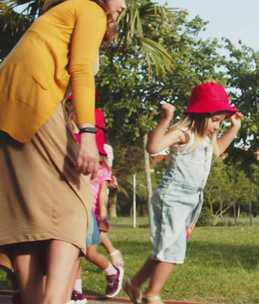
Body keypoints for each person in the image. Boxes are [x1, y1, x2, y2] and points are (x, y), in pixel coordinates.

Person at [0, 0, 126, 302]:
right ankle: (56, 298)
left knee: (27, 209)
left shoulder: (63, 12)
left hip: (9, 105)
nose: (123, 5)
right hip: (33, 100)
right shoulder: (91, 9)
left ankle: (32, 295)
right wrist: (86, 134)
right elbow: (81, 69)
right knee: (77, 199)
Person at [123, 82, 243, 304]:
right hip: (173, 197)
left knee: (165, 246)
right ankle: (152, 294)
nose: (218, 126)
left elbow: (216, 152)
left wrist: (233, 129)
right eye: (215, 120)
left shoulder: (207, 137)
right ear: (200, 115)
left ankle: (134, 284)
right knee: (174, 248)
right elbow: (154, 147)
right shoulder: (183, 133)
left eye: (221, 122)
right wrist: (166, 118)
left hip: (192, 200)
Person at [70, 109, 123, 303]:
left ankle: (111, 271)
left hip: (89, 215)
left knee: (89, 253)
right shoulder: (75, 156)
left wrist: (102, 217)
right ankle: (76, 292)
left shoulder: (101, 169)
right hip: (74, 213)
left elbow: (102, 194)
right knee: (73, 254)